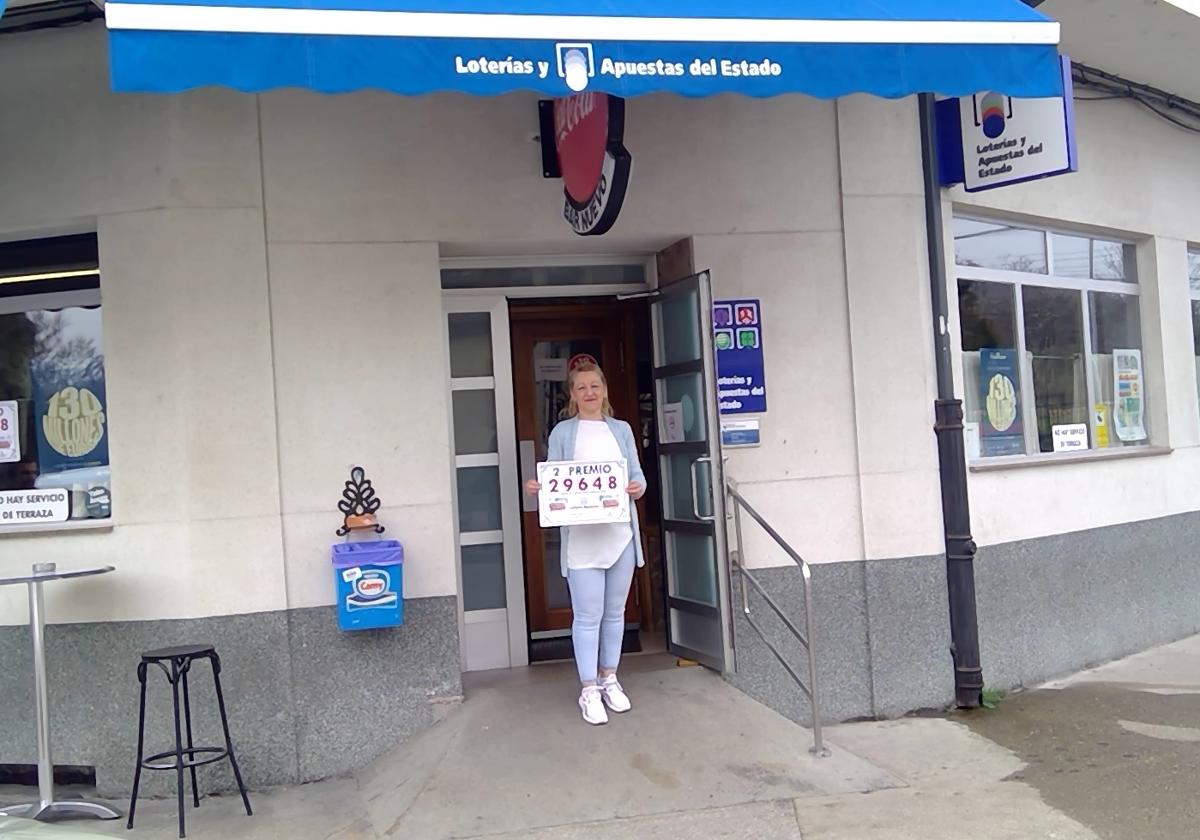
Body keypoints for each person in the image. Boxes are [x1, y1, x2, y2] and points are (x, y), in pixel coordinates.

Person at [525, 361, 646, 725]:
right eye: (582, 388)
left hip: (619, 536)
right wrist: (540, 488)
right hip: (582, 541)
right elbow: (555, 475)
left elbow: (637, 476)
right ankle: (588, 688)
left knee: (615, 614)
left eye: (595, 386)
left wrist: (636, 488)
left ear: (605, 390)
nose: (589, 392)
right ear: (573, 395)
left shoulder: (621, 430)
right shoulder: (564, 431)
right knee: (587, 616)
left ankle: (610, 677)